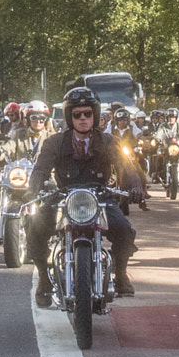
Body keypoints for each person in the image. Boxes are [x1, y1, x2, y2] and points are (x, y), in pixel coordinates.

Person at [26, 86, 137, 305]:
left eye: (88, 113)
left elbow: (127, 167)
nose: (83, 118)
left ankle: (121, 274)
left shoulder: (108, 142)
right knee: (34, 226)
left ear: (95, 115)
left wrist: (135, 186)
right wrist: (34, 190)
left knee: (124, 228)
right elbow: (40, 170)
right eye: (77, 114)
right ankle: (43, 278)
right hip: (63, 195)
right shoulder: (54, 143)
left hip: (100, 196)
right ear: (70, 116)